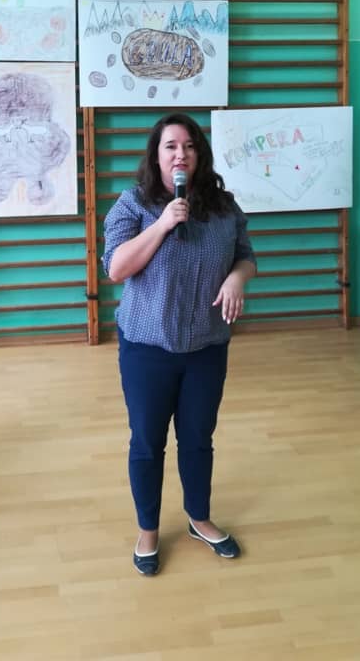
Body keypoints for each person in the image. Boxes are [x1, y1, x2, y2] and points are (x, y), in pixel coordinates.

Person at [103, 112, 256, 576]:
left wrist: (237, 278)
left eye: (189, 146)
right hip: (147, 347)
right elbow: (116, 268)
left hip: (207, 346)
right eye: (170, 146)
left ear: (200, 154)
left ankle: (199, 518)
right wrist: (163, 224)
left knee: (197, 439)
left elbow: (246, 257)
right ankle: (148, 529)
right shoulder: (133, 204)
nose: (180, 154)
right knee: (148, 442)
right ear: (156, 155)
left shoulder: (224, 206)